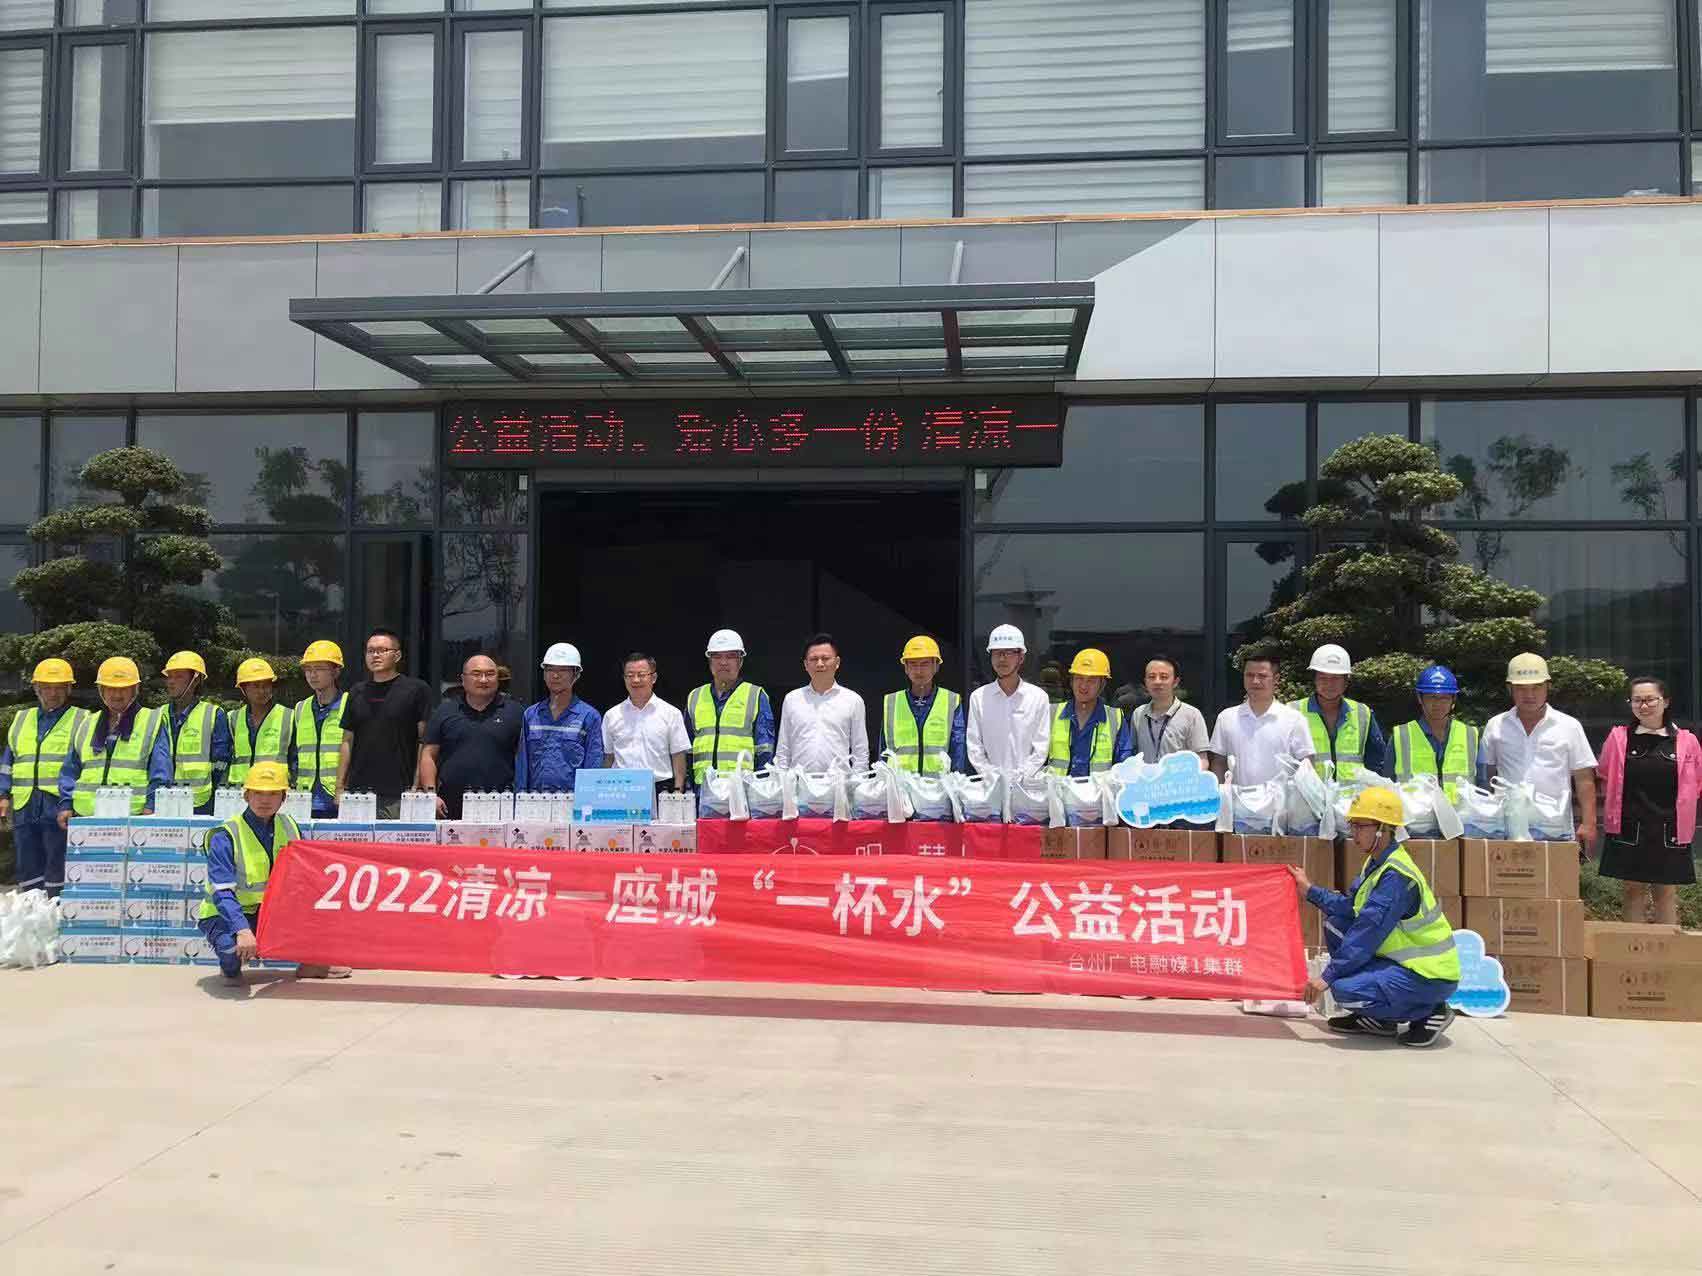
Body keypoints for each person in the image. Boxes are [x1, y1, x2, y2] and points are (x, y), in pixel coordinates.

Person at [1291, 786, 1460, 1047]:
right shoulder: (1377, 862)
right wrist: (1310, 891)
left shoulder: (1396, 877)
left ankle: (1430, 1011)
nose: (1353, 833)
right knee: (1336, 925)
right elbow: (1351, 908)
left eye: (1360, 826)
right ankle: (1380, 1019)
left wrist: (1326, 977)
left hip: (1429, 976)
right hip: (1405, 964)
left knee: (1343, 990)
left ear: (1382, 829)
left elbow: (1367, 934)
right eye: (1352, 825)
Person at [197, 760, 348, 986]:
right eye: (257, 793)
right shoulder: (225, 835)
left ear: (283, 798)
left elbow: (306, 874)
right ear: (246, 796)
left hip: (272, 912)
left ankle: (311, 963)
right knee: (231, 949)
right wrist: (242, 930)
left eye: (272, 794)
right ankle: (230, 968)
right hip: (227, 915)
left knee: (321, 908)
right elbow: (222, 893)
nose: (264, 800)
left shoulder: (289, 826)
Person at [1595, 676, 1699, 925]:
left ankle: (1666, 948)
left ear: (1666, 701)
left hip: (1670, 828)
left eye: (1650, 699)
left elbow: (1697, 782)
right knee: (1632, 890)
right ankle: (1632, 946)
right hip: (1629, 825)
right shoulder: (1618, 738)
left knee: (1666, 892)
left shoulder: (1687, 741)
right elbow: (1605, 774)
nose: (1644, 705)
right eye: (1637, 700)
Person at [1481, 653, 1598, 847]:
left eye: (1536, 687)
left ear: (1548, 687)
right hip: (1507, 829)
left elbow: (1584, 777)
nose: (1529, 695)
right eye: (1521, 688)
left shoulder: (1569, 726)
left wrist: (1589, 823)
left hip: (1555, 829)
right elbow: (1487, 776)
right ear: (1510, 689)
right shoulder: (1496, 725)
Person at [0, 659, 88, 896]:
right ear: (37, 688)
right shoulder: (22, 719)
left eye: (59, 687)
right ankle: (32, 909)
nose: (53, 693)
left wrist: (71, 801)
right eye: (47, 687)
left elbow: (84, 763)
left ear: (68, 689)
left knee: (58, 862)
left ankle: (57, 910)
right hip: (25, 804)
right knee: (27, 863)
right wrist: (3, 793)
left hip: (58, 804)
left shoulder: (82, 719)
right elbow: (9, 759)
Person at [56, 657, 173, 824]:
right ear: (101, 690)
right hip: (86, 817)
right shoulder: (87, 723)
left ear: (135, 689)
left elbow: (161, 772)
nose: (117, 695)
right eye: (111, 688)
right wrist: (66, 804)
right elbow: (70, 769)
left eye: (123, 689)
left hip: (134, 817)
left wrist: (152, 807)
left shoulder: (151, 721)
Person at [337, 628, 433, 819]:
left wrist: (417, 785)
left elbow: (424, 741)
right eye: (370, 651)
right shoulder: (357, 691)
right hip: (358, 793)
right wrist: (340, 787)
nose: (375, 655)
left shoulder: (416, 690)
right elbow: (347, 741)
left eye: (382, 650)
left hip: (399, 793)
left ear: (397, 656)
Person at [419, 654, 522, 818]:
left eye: (490, 674)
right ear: (463, 679)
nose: (483, 680)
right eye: (476, 674)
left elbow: (524, 758)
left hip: (501, 806)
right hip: (449, 806)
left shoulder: (516, 713)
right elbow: (428, 755)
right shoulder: (444, 711)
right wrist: (431, 794)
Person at [685, 629, 776, 783]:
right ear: (710, 661)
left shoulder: (755, 695)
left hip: (742, 787)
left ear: (740, 661)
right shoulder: (695, 696)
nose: (723, 662)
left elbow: (765, 748)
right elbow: (686, 747)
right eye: (717, 656)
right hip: (703, 787)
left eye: (731, 656)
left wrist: (762, 785)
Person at [1289, 644, 1391, 780]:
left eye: (1336, 678)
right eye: (1323, 677)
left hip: (1354, 793)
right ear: (1315, 680)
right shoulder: (1293, 712)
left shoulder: (1362, 713)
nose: (1329, 684)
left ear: (1346, 681)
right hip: (1308, 793)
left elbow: (1377, 762)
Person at [1209, 655, 1313, 784]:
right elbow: (1219, 762)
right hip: (1238, 796)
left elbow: (1306, 764)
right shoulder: (1226, 718)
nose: (1255, 681)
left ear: (1276, 679)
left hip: (1281, 797)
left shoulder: (1294, 719)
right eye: (1249, 675)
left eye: (1262, 676)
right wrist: (1219, 793)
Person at [516, 642, 603, 793]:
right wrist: (521, 798)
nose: (555, 675)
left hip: (573, 800)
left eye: (563, 670)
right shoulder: (531, 715)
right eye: (550, 669)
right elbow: (522, 764)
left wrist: (588, 800)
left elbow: (593, 766)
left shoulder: (589, 716)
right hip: (535, 801)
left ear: (576, 674)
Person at [966, 624, 1051, 777]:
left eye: (1008, 652)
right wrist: (993, 777)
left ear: (1021, 657)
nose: (1002, 658)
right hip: (991, 785)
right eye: (996, 652)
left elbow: (1041, 748)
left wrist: (1020, 777)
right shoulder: (978, 698)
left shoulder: (1038, 698)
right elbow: (974, 747)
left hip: (1027, 785)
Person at [601, 652, 690, 798]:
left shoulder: (671, 713)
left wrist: (678, 793)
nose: (635, 680)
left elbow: (678, 756)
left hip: (660, 789)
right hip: (621, 790)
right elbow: (609, 757)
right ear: (624, 679)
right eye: (630, 675)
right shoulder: (612, 715)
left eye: (641, 675)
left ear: (653, 678)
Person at [775, 634, 869, 772]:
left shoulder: (853, 700)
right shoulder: (792, 699)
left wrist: (856, 783)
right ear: (806, 664)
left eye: (825, 658)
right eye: (813, 659)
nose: (819, 664)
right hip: (799, 782)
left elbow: (860, 752)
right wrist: (781, 781)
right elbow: (783, 749)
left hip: (839, 782)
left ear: (837, 662)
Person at [1391, 664, 1480, 804]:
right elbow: (1387, 786)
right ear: (1420, 698)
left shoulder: (1470, 735)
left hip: (1460, 816)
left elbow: (1482, 785)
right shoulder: (1401, 736)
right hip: (1415, 817)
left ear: (1453, 700)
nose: (1437, 704)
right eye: (1431, 697)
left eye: (1444, 698)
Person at [880, 635, 966, 775]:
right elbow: (884, 751)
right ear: (906, 667)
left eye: (925, 664)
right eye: (913, 664)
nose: (919, 670)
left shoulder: (951, 701)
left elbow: (958, 750)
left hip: (938, 786)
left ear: (936, 666)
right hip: (900, 785)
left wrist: (956, 783)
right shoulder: (892, 702)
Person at [161, 650, 232, 814]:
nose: (171, 682)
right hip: (163, 799)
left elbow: (221, 763)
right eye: (169, 676)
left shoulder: (214, 714)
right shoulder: (158, 715)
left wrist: (214, 800)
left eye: (178, 676)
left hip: (201, 803)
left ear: (196, 679)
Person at [1046, 648, 1131, 777]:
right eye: (1079, 678)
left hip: (1098, 790)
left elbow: (1124, 765)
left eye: (1091, 680)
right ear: (1071, 681)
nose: (1083, 686)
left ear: (1102, 684)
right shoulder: (1051, 713)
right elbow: (1036, 759)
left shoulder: (1115, 718)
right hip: (1058, 789)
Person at [292, 640, 347, 820]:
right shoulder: (300, 708)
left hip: (339, 799)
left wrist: (343, 787)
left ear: (336, 671)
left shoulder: (349, 704)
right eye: (308, 669)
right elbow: (295, 754)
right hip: (304, 798)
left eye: (319, 669)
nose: (312, 675)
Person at [1127, 654, 1210, 765]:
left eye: (1164, 677)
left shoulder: (1192, 715)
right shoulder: (1138, 714)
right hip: (1146, 776)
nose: (1157, 681)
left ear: (1175, 682)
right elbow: (1133, 754)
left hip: (1179, 777)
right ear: (1145, 682)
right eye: (1151, 677)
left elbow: (1201, 759)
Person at [226, 657, 293, 790]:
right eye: (256, 686)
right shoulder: (232, 719)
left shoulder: (289, 716)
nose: (262, 691)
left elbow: (295, 759)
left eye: (266, 685)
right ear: (243, 688)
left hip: (274, 790)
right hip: (239, 791)